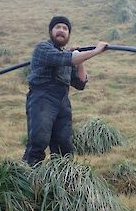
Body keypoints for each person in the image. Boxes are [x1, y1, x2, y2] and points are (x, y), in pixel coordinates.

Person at [22, 16, 107, 166]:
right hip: (42, 98)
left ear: (68, 34)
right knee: (39, 141)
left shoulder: (68, 56)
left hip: (62, 101)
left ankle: (61, 180)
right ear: (51, 31)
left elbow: (81, 83)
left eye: (65, 28)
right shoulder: (43, 49)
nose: (61, 30)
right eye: (58, 27)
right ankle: (27, 180)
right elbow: (67, 59)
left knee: (64, 145)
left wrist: (80, 58)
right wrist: (97, 50)